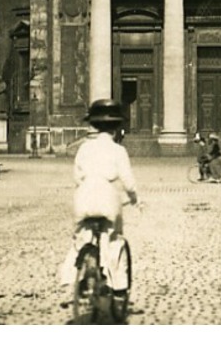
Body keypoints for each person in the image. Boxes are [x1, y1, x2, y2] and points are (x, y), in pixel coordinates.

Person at [64, 99, 139, 297]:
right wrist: (134, 198)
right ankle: (119, 287)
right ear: (116, 128)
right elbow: (128, 181)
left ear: (94, 125)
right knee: (114, 239)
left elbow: (77, 177)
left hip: (84, 197)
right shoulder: (118, 150)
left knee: (80, 237)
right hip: (107, 198)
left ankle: (77, 277)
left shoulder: (84, 149)